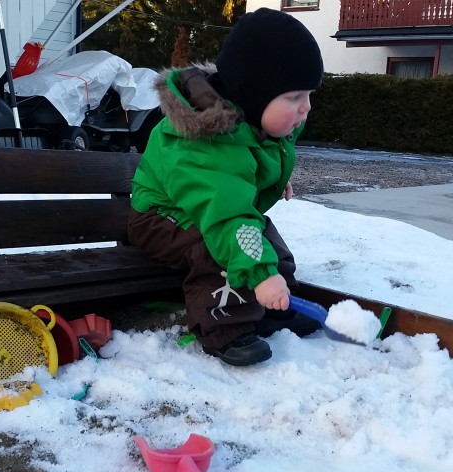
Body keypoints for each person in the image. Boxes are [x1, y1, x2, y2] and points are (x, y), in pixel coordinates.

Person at [128, 8, 324, 366]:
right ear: (255, 93)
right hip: (160, 217)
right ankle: (225, 329)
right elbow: (226, 217)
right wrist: (261, 275)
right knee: (216, 247)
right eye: (294, 97)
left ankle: (276, 305)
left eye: (308, 95)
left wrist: (276, 178)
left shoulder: (248, 120)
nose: (306, 108)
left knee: (263, 236)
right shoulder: (206, 139)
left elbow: (246, 169)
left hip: (209, 208)